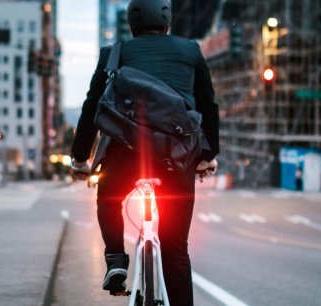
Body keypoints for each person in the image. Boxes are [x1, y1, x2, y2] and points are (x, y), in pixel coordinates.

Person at [69, 0, 219, 304]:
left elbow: (92, 109)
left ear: (131, 25)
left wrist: (80, 157)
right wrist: (207, 155)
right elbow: (208, 106)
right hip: (177, 159)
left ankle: (116, 261)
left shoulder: (114, 54)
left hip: (125, 155)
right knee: (175, 249)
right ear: (167, 22)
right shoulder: (190, 50)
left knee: (109, 197)